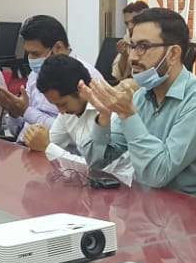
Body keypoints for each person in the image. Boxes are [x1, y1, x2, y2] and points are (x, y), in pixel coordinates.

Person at [79, 8, 196, 203]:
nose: (132, 57)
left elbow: (158, 174)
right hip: (149, 205)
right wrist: (104, 116)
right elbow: (97, 162)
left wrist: (128, 114)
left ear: (173, 54)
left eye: (143, 47)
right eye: (132, 46)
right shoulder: (141, 96)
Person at [23, 54, 133, 183]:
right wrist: (36, 138)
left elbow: (98, 170)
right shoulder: (68, 111)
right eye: (56, 105)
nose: (61, 111)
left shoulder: (112, 112)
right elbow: (49, 143)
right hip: (90, 185)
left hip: (123, 186)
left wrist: (48, 147)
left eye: (62, 104)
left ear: (80, 89)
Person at [0, 15, 103, 142]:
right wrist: (14, 112)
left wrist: (26, 112)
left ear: (58, 47)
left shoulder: (87, 78)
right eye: (28, 53)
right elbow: (16, 130)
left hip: (55, 150)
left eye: (36, 53)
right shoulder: (35, 74)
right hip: (23, 146)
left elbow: (75, 134)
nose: (31, 59)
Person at [112, 1, 149, 81]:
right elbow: (119, 76)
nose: (130, 27)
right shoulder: (128, 39)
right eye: (126, 23)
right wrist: (124, 55)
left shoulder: (156, 39)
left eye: (134, 22)